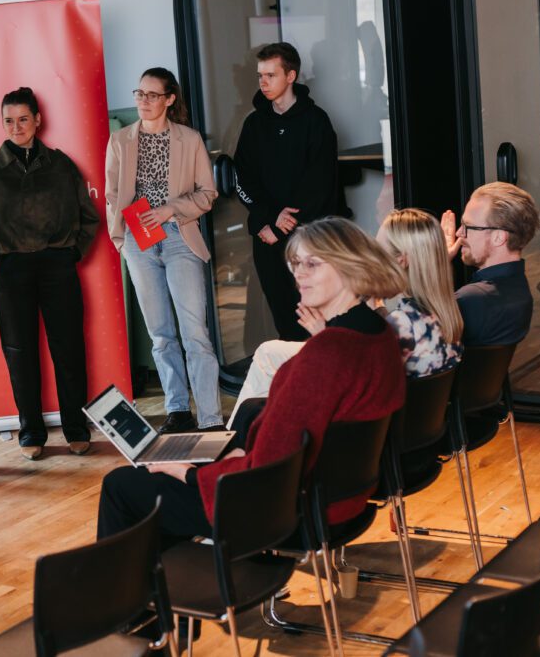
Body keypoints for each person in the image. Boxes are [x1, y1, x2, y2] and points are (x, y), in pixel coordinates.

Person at [97, 217, 405, 545]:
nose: (299, 274)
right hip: (340, 499)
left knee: (122, 486)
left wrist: (189, 473)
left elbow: (266, 472)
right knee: (231, 429)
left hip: (286, 512)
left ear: (351, 268)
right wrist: (237, 454)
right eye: (296, 262)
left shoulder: (325, 354)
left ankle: (153, 577)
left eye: (312, 264)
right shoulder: (379, 333)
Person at [0, 87, 99, 460]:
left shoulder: (61, 165)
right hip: (11, 272)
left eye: (23, 119)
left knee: (68, 349)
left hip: (57, 267)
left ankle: (76, 427)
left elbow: (88, 217)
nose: (16, 127)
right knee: (19, 353)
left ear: (38, 120)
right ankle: (31, 431)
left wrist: (71, 253)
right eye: (9, 120)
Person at [228, 208, 463, 424]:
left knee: (267, 356)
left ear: (401, 260)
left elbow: (352, 372)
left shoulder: (399, 325)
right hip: (425, 426)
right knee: (269, 353)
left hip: (389, 431)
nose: (371, 256)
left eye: (378, 249)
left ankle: (237, 438)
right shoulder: (443, 312)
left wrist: (323, 335)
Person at [105, 67, 222, 433]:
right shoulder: (120, 140)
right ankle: (178, 410)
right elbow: (111, 196)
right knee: (160, 333)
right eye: (139, 94)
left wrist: (170, 209)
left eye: (152, 95)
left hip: (178, 237)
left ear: (170, 99)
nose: (143, 101)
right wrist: (123, 242)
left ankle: (210, 418)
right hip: (138, 243)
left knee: (195, 332)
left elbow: (208, 194)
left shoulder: (189, 139)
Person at [233, 42, 338, 341]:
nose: (263, 82)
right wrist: (267, 219)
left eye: (271, 75)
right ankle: (295, 370)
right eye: (260, 75)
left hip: (308, 239)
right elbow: (243, 179)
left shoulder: (316, 121)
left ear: (290, 76)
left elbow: (320, 186)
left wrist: (280, 226)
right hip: (266, 236)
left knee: (315, 317)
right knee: (284, 319)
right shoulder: (254, 124)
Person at [441, 182, 538, 346]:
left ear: (498, 237)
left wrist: (436, 263)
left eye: (468, 226)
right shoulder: (520, 289)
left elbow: (416, 329)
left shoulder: (471, 299)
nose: (458, 233)